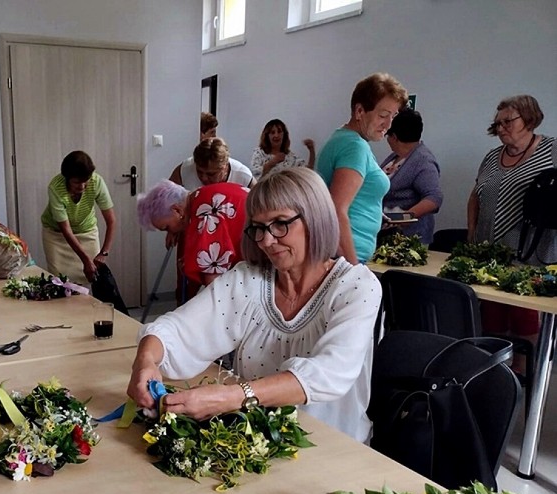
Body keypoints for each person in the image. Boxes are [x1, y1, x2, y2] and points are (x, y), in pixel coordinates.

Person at [128, 168, 381, 443]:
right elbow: (178, 329)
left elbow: (328, 372)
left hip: (337, 449)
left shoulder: (357, 287)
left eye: (280, 223)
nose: (267, 240)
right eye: (259, 228)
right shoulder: (249, 279)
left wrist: (233, 397)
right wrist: (145, 361)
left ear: (315, 219)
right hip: (259, 443)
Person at [467, 95, 556, 345]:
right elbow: (475, 195)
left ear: (529, 119)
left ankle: (524, 374)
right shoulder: (492, 156)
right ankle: (499, 375)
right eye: (497, 124)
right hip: (490, 252)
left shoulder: (552, 149)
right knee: (492, 316)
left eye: (508, 121)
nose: (501, 128)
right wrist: (471, 231)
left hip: (531, 253)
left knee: (523, 316)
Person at [316, 72, 408, 264]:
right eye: (383, 115)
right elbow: (337, 208)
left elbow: (352, 195)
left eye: (393, 116)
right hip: (345, 259)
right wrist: (354, 268)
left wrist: (373, 210)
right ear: (359, 111)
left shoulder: (343, 138)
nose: (388, 124)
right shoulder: (355, 147)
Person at [137, 179, 249, 299]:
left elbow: (214, 282)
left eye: (167, 228)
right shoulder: (201, 195)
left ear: (177, 210)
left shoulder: (204, 216)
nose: (171, 233)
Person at [41, 150, 116, 285]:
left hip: (87, 232)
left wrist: (104, 252)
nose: (82, 186)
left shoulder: (96, 182)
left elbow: (111, 221)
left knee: (93, 279)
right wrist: (85, 260)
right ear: (67, 178)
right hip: (57, 236)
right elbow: (66, 230)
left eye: (85, 181)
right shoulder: (56, 187)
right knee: (61, 282)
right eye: (77, 182)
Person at [379, 108, 443, 244]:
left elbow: (434, 198)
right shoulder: (395, 156)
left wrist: (403, 218)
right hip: (385, 235)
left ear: (394, 137)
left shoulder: (423, 160)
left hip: (409, 240)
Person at [168, 137, 256, 190]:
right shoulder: (184, 170)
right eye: (199, 172)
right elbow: (164, 201)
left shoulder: (243, 176)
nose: (204, 178)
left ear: (224, 167)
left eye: (211, 174)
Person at [249, 118, 315, 179]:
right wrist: (273, 162)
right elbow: (254, 175)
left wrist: (311, 150)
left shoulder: (291, 157)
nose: (276, 135)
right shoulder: (259, 153)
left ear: (284, 135)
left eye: (279, 132)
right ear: (267, 136)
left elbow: (307, 173)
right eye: (272, 132)